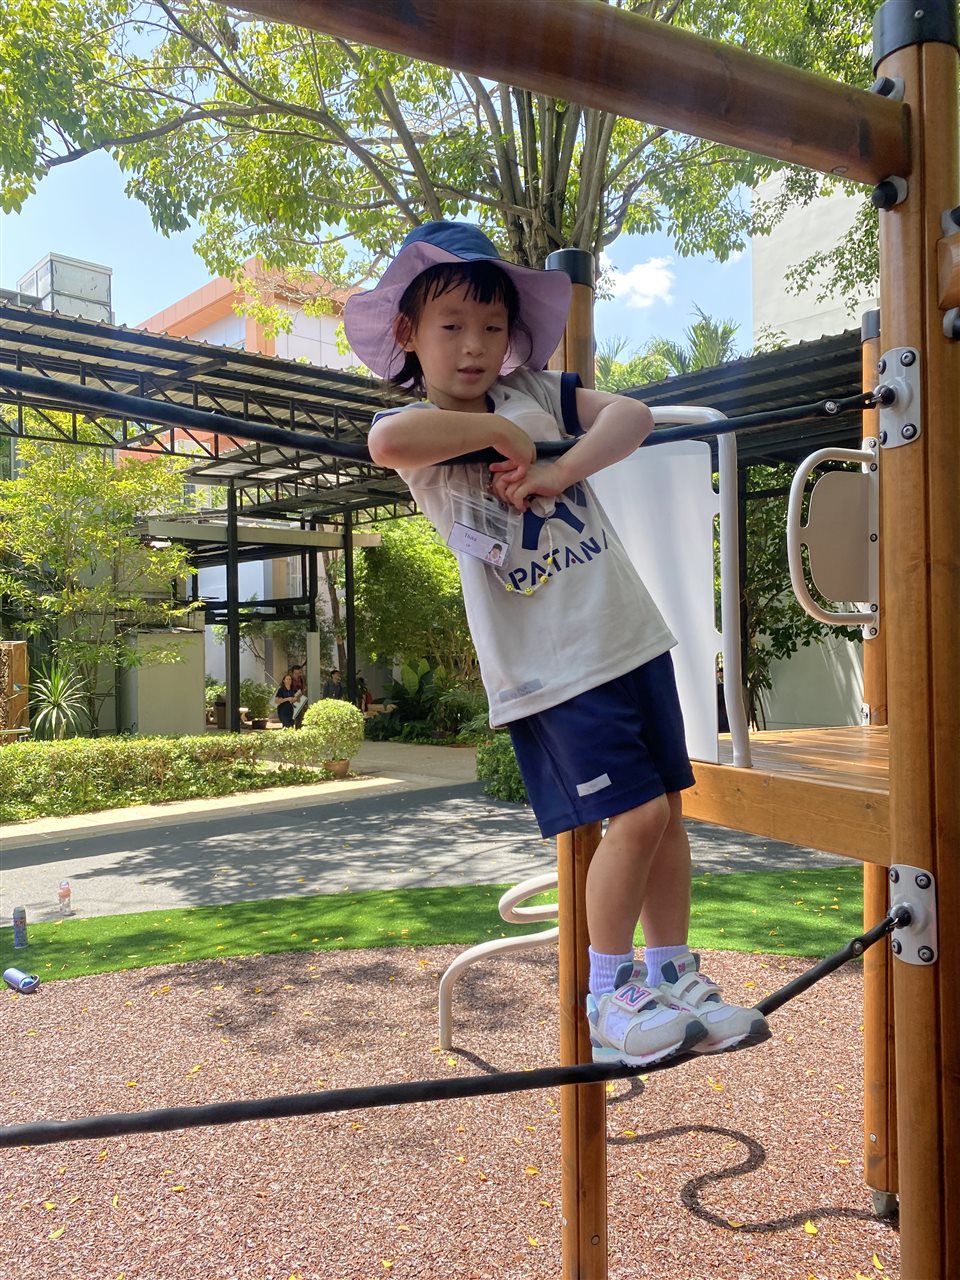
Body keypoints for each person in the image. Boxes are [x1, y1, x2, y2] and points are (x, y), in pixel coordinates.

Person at [346, 220, 768, 1067]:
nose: (474, 345)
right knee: (635, 815)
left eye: (492, 326)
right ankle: (608, 994)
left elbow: (633, 417)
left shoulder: (537, 390)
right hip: (553, 668)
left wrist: (556, 465)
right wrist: (502, 439)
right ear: (409, 334)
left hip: (627, 633)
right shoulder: (425, 425)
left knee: (668, 816)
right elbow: (385, 440)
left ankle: (673, 974)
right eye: (451, 326)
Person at [289, 663, 308, 728]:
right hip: (289, 701)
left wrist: (302, 692)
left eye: (299, 673)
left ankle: (298, 730)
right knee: (289, 719)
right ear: (292, 673)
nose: (297, 675)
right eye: (296, 673)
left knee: (300, 717)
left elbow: (304, 688)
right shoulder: (288, 679)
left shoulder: (302, 679)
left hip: (299, 700)